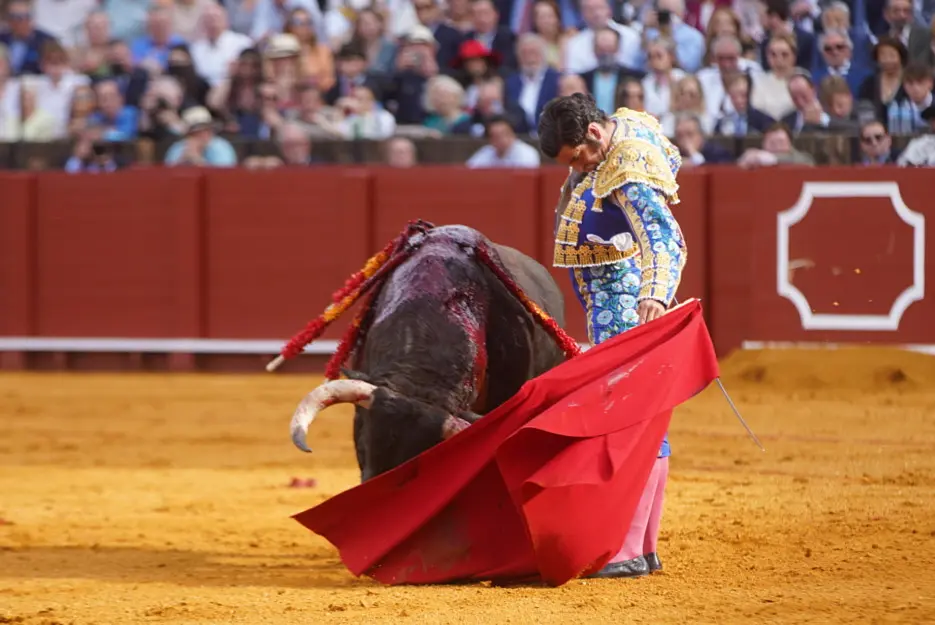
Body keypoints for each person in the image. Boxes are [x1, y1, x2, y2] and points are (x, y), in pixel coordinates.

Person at [537, 92, 686, 579]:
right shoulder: (620, 126)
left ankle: (625, 550)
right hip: (615, 297)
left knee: (627, 422)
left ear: (595, 134)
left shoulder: (627, 168)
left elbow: (666, 239)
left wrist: (657, 295)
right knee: (643, 420)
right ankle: (642, 545)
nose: (578, 168)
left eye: (578, 156)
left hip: (624, 302)